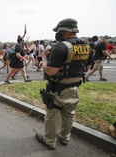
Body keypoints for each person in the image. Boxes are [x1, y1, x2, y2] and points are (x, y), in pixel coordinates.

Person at [34, 18, 92, 150]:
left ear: (64, 31)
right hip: (74, 88)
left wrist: (44, 57)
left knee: (52, 115)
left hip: (59, 90)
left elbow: (50, 71)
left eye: (59, 31)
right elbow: (87, 69)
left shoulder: (61, 47)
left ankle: (49, 141)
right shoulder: (87, 47)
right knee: (69, 114)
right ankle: (64, 137)